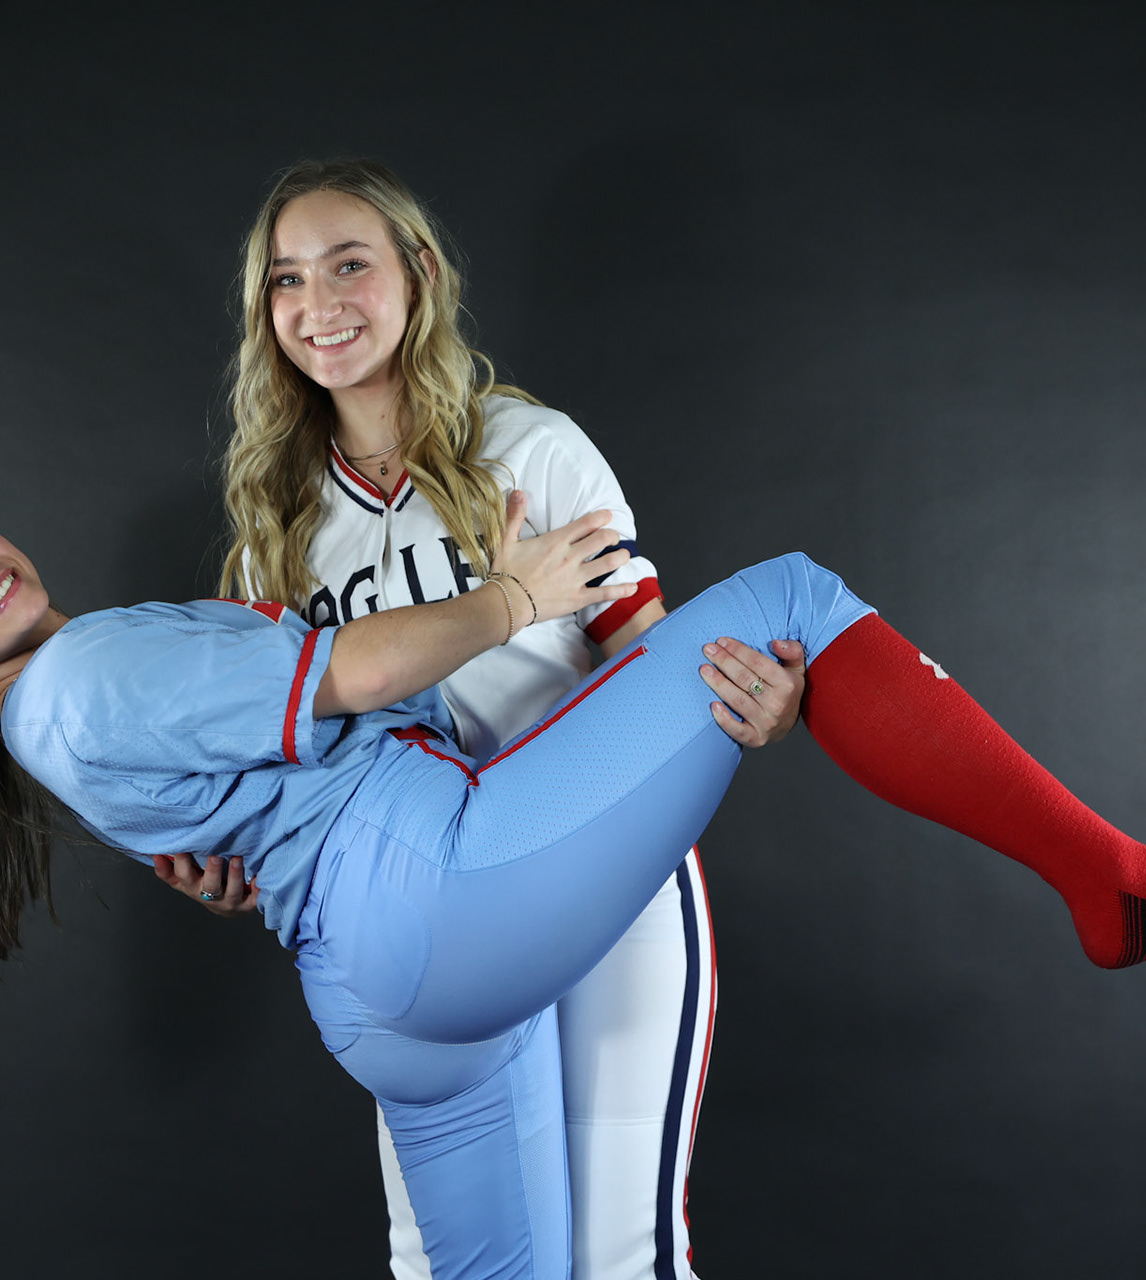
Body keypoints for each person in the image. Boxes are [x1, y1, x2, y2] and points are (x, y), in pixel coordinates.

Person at [0, 488, 1146, 1280]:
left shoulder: (46, 722)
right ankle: (1117, 886)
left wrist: (241, 860)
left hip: (383, 1000)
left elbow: (223, 835)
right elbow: (369, 665)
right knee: (786, 598)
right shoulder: (92, 667)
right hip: (442, 892)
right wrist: (519, 591)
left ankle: (1111, 882)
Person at [154, 157, 797, 1280]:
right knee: (449, 1259)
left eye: (350, 263)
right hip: (420, 915)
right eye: (288, 280)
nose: (321, 304)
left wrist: (750, 699)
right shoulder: (275, 531)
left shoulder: (530, 449)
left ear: (420, 272)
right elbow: (289, 764)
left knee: (616, 1253)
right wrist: (234, 855)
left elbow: (654, 668)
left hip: (603, 877)